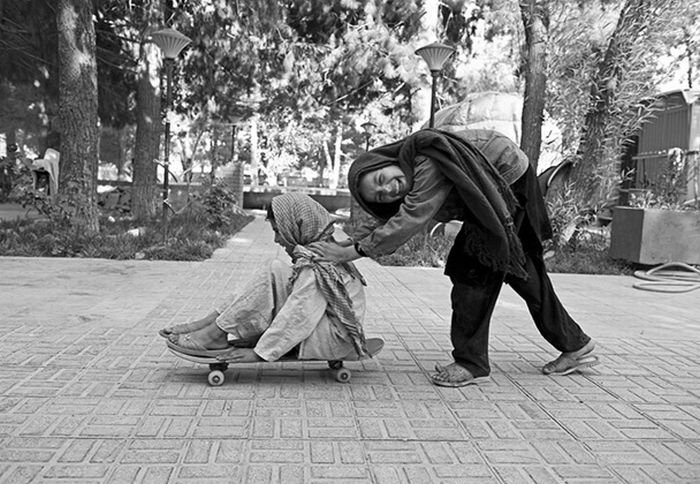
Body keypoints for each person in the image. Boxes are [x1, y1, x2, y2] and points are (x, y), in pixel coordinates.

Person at [309, 128, 597, 387]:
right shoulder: (413, 164)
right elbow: (387, 219)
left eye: (383, 179)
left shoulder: (426, 161)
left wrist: (351, 252)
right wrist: (346, 242)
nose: (389, 189)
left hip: (508, 185)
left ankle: (470, 363)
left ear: (388, 160)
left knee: (473, 273)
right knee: (522, 271)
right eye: (381, 195)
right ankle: (574, 344)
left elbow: (411, 216)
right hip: (507, 186)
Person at [161, 192, 370, 363]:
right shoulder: (320, 249)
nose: (277, 239)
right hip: (324, 327)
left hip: (334, 339)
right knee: (275, 269)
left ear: (295, 226)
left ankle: (214, 332)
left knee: (274, 270)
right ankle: (212, 325)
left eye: (279, 231)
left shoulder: (318, 262)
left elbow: (299, 314)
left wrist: (260, 353)